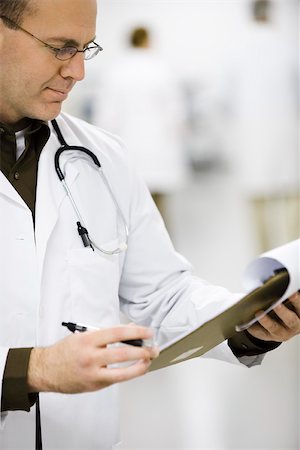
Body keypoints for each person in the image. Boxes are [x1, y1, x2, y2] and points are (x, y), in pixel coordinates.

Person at [0, 1, 299, 449]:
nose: (78, 72)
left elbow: (162, 294)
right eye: (61, 48)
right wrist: (30, 371)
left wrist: (248, 322)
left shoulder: (105, 157)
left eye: (86, 48)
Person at [218, 0, 299, 253]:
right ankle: (294, 259)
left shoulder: (236, 48)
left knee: (257, 198)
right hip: (286, 129)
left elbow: (225, 97)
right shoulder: (287, 45)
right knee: (291, 196)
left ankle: (267, 261)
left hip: (251, 132)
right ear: (270, 13)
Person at [92, 26, 188, 228]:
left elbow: (106, 116)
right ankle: (164, 255)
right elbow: (175, 113)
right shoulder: (161, 67)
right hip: (159, 147)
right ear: (147, 41)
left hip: (128, 147)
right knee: (160, 211)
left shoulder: (115, 70)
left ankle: (137, 255)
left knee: (132, 210)